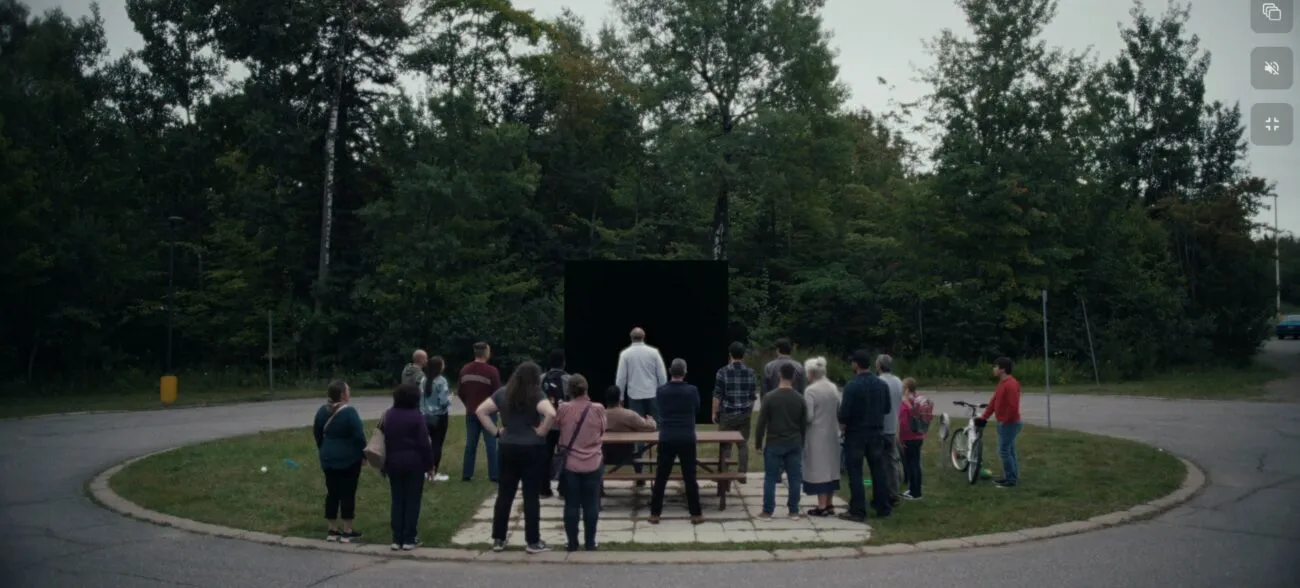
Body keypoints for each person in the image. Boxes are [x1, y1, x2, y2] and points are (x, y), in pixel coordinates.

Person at [475, 361, 557, 554]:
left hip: (507, 446)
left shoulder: (503, 393)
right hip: (531, 448)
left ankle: (498, 538)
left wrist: (496, 432)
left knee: (505, 494)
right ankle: (532, 541)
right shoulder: (536, 394)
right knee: (530, 496)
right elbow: (551, 413)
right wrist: (542, 432)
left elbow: (481, 411)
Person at [647, 358, 704, 525]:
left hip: (667, 437)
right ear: (685, 373)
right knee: (690, 476)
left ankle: (655, 513)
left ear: (670, 372)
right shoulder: (692, 390)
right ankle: (696, 513)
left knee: (661, 476)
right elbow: (697, 409)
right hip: (686, 436)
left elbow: (660, 408)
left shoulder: (661, 391)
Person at [553, 375, 606, 552]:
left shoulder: (563, 408)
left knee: (571, 504)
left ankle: (572, 542)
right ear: (586, 389)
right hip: (593, 460)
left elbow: (557, 425)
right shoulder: (598, 408)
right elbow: (602, 430)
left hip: (570, 463)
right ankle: (590, 542)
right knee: (591, 503)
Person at [838, 349, 892, 522]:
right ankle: (882, 506)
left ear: (855, 364)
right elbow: (887, 408)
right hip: (876, 432)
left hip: (856, 434)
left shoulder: (852, 386)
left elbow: (844, 414)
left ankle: (858, 509)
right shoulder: (882, 385)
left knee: (855, 472)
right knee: (878, 470)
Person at [381, 383, 434, 550]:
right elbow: (424, 443)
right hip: (413, 463)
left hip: (393, 461)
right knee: (412, 500)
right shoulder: (416, 416)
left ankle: (397, 538)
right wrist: (430, 465)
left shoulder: (389, 415)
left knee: (397, 499)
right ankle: (409, 537)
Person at [312, 379, 366, 543]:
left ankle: (332, 529)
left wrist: (324, 448)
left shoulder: (322, 411)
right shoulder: (349, 413)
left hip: (328, 456)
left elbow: (317, 432)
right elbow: (358, 435)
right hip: (348, 458)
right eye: (348, 391)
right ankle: (348, 529)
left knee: (332, 492)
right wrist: (364, 454)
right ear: (343, 395)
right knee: (347, 492)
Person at [754, 362, 807, 520]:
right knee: (794, 478)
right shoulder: (800, 399)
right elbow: (803, 424)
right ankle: (794, 510)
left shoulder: (770, 397)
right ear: (795, 377)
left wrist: (758, 443)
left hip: (774, 442)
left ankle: (767, 511)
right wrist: (802, 442)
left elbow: (761, 423)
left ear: (779, 375)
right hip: (794, 442)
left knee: (770, 477)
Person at [614, 327, 667, 480]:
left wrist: (620, 397)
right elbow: (662, 375)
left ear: (631, 337)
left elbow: (621, 378)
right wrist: (662, 392)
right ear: (644, 337)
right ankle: (661, 466)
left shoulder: (625, 354)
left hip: (635, 395)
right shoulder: (654, 352)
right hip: (653, 395)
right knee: (658, 431)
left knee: (638, 433)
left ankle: (639, 472)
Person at [800, 357, 841, 516]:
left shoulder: (810, 390)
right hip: (832, 431)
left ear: (810, 373)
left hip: (816, 434)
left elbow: (809, 417)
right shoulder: (832, 387)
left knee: (819, 468)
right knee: (831, 468)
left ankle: (822, 505)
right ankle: (830, 503)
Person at [713, 341, 758, 481]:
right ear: (743, 355)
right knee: (743, 444)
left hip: (727, 413)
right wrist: (748, 410)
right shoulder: (751, 372)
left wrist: (714, 412)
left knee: (725, 445)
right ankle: (742, 474)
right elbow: (752, 396)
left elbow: (717, 395)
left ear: (730, 355)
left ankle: (724, 473)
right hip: (744, 413)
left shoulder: (722, 372)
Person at [977, 357, 1023, 488]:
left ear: (1002, 369)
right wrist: (983, 418)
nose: (994, 369)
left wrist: (1006, 421)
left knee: (1004, 451)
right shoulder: (1002, 383)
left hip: (1010, 423)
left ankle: (1011, 480)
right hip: (1005, 422)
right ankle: (1011, 477)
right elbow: (993, 403)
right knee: (1010, 450)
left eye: (995, 367)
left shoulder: (1011, 384)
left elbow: (1013, 406)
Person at [601, 384, 656, 493]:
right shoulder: (629, 415)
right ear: (619, 398)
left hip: (605, 455)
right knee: (640, 450)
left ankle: (599, 485)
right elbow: (650, 427)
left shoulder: (600, 415)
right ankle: (639, 477)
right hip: (628, 455)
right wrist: (651, 420)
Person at [458, 341, 501, 482]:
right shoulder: (492, 372)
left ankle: (467, 474)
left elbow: (460, 392)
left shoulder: (464, 370)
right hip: (488, 413)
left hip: (471, 411)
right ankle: (494, 475)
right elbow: (497, 394)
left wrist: (469, 404)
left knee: (471, 444)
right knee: (491, 444)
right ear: (486, 353)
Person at [540, 349, 572, 499]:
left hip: (546, 423)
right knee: (565, 455)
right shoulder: (569, 380)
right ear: (563, 363)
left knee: (545, 455)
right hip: (564, 424)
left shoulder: (541, 379)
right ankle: (564, 488)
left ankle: (544, 488)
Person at [875, 354, 904, 504]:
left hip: (880, 426)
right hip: (893, 425)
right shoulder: (898, 381)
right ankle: (894, 491)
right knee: (892, 460)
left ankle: (882, 492)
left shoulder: (879, 381)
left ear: (879, 366)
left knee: (879, 461)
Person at [421, 355, 452, 482]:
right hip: (439, 416)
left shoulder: (424, 380)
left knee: (427, 443)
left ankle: (425, 469)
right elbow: (443, 402)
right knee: (437, 443)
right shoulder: (441, 381)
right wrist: (450, 399)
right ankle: (433, 471)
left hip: (425, 415)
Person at [898, 377, 926, 500]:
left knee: (911, 464)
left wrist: (901, 437)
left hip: (909, 436)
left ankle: (914, 492)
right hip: (919, 435)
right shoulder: (919, 398)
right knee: (916, 462)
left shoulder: (905, 403)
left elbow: (903, 423)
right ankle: (916, 488)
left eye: (903, 387)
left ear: (907, 389)